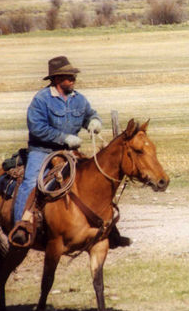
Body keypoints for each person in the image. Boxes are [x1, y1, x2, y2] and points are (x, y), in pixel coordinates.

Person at [10, 56, 130, 248]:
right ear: (57, 79)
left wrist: (94, 121)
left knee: (94, 179)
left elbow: (90, 113)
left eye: (73, 76)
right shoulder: (41, 100)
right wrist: (63, 138)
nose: (73, 79)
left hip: (69, 152)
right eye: (69, 77)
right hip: (42, 150)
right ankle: (22, 226)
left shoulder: (79, 99)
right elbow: (37, 127)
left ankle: (109, 230)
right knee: (31, 182)